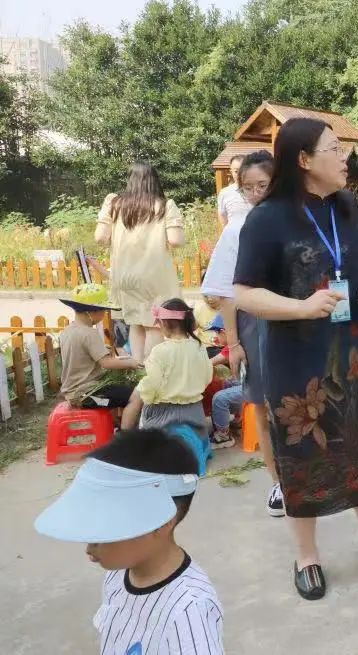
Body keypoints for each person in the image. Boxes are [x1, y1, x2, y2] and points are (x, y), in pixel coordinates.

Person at [234, 117, 358, 600]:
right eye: (334, 149)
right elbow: (244, 293)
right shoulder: (268, 218)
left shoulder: (347, 205)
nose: (344, 157)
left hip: (353, 351)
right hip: (297, 359)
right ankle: (306, 556)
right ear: (305, 160)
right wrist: (301, 306)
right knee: (303, 453)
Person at [34, 428, 224, 655]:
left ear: (162, 522)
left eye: (108, 527)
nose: (90, 546)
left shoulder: (188, 611)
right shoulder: (116, 576)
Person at [201, 149, 285, 516]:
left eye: (262, 185)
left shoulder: (297, 221)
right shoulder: (237, 230)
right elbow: (222, 293)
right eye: (247, 187)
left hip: (298, 324)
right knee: (263, 409)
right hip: (256, 329)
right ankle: (278, 483)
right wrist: (233, 342)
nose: (255, 194)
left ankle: (309, 474)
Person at [95, 162, 185, 362]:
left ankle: (137, 367)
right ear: (154, 181)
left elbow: (100, 238)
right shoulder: (165, 206)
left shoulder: (114, 204)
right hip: (154, 277)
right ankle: (150, 372)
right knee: (154, 324)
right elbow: (176, 241)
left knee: (136, 322)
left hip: (124, 276)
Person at [121, 299, 214, 473]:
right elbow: (207, 377)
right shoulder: (199, 347)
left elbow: (153, 383)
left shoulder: (160, 351)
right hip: (194, 410)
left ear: (164, 324)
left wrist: (147, 396)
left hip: (163, 413)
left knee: (141, 402)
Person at [58, 283, 141, 408]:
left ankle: (113, 423)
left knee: (117, 392)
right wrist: (132, 363)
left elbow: (81, 355)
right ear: (91, 311)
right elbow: (106, 363)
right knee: (135, 397)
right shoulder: (89, 333)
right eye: (103, 310)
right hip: (88, 395)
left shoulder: (67, 331)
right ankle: (126, 428)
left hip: (72, 392)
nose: (104, 314)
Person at [218, 153, 251, 227]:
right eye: (236, 171)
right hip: (233, 237)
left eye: (243, 170)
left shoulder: (258, 191)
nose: (239, 174)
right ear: (231, 172)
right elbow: (223, 218)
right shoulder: (225, 193)